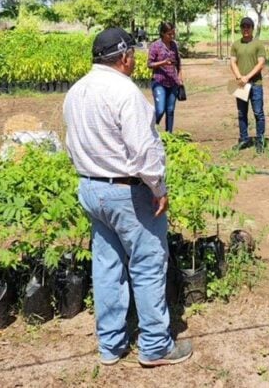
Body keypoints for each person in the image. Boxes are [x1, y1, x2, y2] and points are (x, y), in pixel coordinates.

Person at [63, 27, 192, 367]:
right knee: (148, 264)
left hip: (90, 187)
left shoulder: (76, 91)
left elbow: (71, 143)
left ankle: (111, 345)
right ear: (123, 58)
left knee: (107, 267)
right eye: (132, 56)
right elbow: (143, 149)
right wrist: (158, 187)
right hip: (126, 191)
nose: (135, 61)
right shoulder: (125, 91)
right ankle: (154, 346)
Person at [230, 17, 267, 152]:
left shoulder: (258, 44)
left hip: (256, 84)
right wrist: (240, 77)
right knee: (241, 113)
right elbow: (233, 62)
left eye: (248, 27)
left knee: (258, 113)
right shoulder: (235, 44)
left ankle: (260, 140)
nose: (246, 29)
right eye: (243, 27)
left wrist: (248, 77)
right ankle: (244, 139)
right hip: (240, 84)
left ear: (252, 28)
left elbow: (261, 63)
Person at [147, 22, 184, 133]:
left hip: (173, 82)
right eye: (169, 34)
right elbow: (149, 64)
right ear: (162, 33)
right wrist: (163, 62)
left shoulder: (174, 45)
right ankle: (150, 131)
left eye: (173, 34)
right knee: (160, 110)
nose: (171, 36)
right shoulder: (155, 46)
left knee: (170, 110)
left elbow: (178, 63)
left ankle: (169, 135)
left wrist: (180, 78)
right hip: (159, 82)